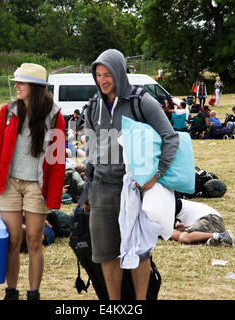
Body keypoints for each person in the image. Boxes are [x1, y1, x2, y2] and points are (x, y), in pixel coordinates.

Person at [83, 49, 179, 300]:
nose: (103, 80)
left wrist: (155, 173)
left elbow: (170, 137)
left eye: (108, 74)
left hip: (133, 189)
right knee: (106, 252)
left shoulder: (141, 101)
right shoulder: (93, 106)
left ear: (119, 73)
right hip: (101, 189)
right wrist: (86, 192)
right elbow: (91, 152)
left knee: (139, 251)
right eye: (98, 75)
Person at [0, 63, 66, 300]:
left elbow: (58, 161)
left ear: (36, 87)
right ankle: (11, 292)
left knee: (34, 241)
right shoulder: (6, 112)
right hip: (8, 185)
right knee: (12, 240)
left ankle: (33, 293)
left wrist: (54, 197)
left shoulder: (56, 116)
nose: (16, 86)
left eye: (21, 82)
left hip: (36, 188)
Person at [170, 198, 235, 247]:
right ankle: (214, 239)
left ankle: (222, 236)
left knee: (183, 237)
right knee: (171, 233)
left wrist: (176, 222)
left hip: (212, 219)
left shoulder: (173, 203)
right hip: (207, 224)